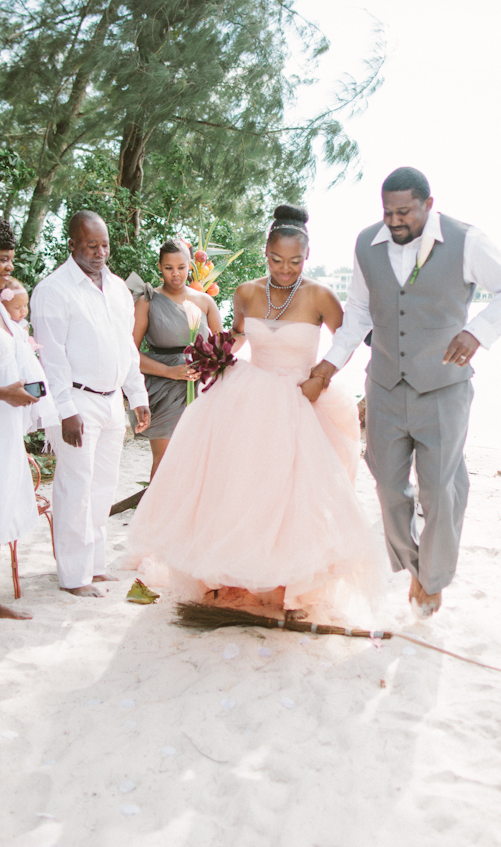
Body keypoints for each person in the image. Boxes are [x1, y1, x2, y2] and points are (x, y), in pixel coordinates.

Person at [126, 205, 385, 622]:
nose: (286, 270)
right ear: (265, 255)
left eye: (296, 261)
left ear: (308, 256)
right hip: (253, 398)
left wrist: (333, 376)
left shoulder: (321, 296)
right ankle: (236, 574)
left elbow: (350, 339)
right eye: (277, 261)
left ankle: (291, 582)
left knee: (297, 491)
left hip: (304, 398)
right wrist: (214, 358)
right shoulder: (246, 292)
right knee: (245, 486)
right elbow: (239, 339)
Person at [306, 167, 501, 618]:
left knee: (439, 490)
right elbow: (356, 311)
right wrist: (330, 363)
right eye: (388, 211)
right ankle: (416, 567)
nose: (394, 221)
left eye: (404, 212)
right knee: (388, 485)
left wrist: (478, 332)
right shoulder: (366, 244)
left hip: (444, 389)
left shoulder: (466, 240)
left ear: (428, 204)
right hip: (386, 386)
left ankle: (431, 579)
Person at [31, 210, 151, 598]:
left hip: (112, 400)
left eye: (104, 245)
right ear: (71, 244)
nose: (100, 253)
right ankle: (73, 576)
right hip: (76, 403)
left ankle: (95, 566)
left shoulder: (117, 288)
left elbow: (127, 348)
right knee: (75, 488)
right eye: (90, 246)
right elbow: (52, 358)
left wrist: (138, 395)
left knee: (103, 487)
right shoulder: (52, 290)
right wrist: (65, 410)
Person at [129, 238, 223, 479]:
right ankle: (157, 516)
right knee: (165, 459)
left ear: (190, 265)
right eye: (169, 267)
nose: (175, 274)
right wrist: (170, 372)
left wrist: (208, 367)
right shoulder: (146, 301)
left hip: (202, 387)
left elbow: (222, 348)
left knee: (202, 460)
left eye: (181, 267)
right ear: (159, 266)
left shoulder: (205, 301)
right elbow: (130, 353)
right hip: (164, 386)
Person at [0, 221, 39, 620]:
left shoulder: (4, 307)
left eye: (9, 259)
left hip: (5, 423)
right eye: (0, 260)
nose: (7, 268)